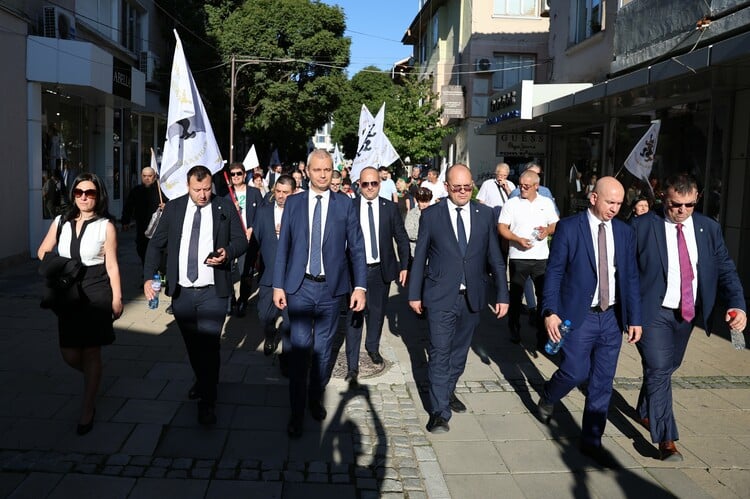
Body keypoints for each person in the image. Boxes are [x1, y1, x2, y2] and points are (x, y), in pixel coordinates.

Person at [632, 173, 746, 461]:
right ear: (663, 200)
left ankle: (646, 409)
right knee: (658, 368)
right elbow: (626, 271)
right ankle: (666, 439)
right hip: (653, 311)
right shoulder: (644, 226)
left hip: (687, 313)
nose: (682, 211)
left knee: (669, 365)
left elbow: (726, 270)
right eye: (675, 205)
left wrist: (738, 305)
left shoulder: (708, 228)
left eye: (689, 205)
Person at [538, 177, 642, 469]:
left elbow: (630, 277)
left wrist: (635, 318)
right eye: (610, 202)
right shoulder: (569, 228)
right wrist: (550, 311)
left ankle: (592, 441)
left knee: (602, 382)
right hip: (576, 316)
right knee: (574, 370)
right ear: (594, 198)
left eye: (620, 204)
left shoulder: (624, 232)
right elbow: (555, 272)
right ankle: (549, 394)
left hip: (611, 317)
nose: (615, 209)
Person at [273, 149, 367, 438]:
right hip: (299, 287)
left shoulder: (345, 204)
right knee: (300, 351)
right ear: (308, 172)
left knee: (324, 351)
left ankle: (316, 396)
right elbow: (284, 247)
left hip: (331, 289)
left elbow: (358, 248)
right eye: (318, 170)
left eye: (328, 170)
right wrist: (278, 284)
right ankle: (296, 412)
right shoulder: (294, 204)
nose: (323, 174)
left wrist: (360, 287)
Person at [408, 164, 509, 434]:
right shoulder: (432, 216)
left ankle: (448, 390)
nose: (463, 192)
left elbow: (495, 259)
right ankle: (439, 411)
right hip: (440, 297)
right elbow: (420, 258)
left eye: (468, 187)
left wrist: (502, 294)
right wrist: (414, 294)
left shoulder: (485, 214)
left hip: (472, 297)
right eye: (457, 188)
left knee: (459, 354)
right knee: (440, 353)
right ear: (447, 187)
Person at [143, 165, 248, 425]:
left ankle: (207, 401)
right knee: (192, 345)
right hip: (183, 292)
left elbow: (242, 241)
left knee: (210, 345)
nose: (203, 194)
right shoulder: (175, 209)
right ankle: (203, 380)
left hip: (213, 290)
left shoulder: (223, 206)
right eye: (197, 189)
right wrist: (147, 277)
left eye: (206, 189)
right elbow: (156, 244)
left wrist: (227, 251)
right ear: (187, 187)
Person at [37, 173, 123, 435]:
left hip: (96, 289)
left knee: (92, 351)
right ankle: (92, 376)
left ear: (99, 195)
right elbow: (43, 252)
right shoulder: (60, 221)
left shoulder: (105, 226)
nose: (84, 197)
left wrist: (118, 298)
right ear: (73, 195)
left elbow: (111, 264)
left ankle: (88, 407)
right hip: (67, 291)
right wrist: (64, 264)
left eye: (90, 193)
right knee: (70, 353)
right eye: (79, 192)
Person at [345, 167, 410, 388]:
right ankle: (352, 364)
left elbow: (401, 237)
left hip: (381, 270)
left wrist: (404, 265)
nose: (370, 188)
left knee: (377, 313)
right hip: (356, 271)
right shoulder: (350, 207)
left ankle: (372, 347)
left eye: (374, 183)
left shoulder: (389, 208)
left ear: (379, 185)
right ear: (359, 185)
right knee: (355, 316)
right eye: (366, 184)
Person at [498, 169, 559, 349]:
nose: (522, 189)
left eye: (526, 186)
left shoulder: (546, 203)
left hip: (541, 258)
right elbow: (502, 227)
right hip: (519, 257)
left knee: (543, 297)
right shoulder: (512, 204)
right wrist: (517, 239)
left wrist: (547, 231)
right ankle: (514, 328)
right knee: (516, 296)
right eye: (520, 185)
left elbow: (555, 223)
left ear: (536, 186)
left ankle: (541, 333)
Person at [252, 175, 295, 367]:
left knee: (289, 320)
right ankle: (270, 336)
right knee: (264, 315)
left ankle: (287, 357)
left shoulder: (300, 213)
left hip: (292, 277)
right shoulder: (263, 213)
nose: (281, 196)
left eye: (286, 192)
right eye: (278, 191)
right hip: (268, 275)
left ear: (294, 192)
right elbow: (255, 244)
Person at [225, 163, 264, 317]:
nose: (235, 177)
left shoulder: (254, 192)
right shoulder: (227, 195)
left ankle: (243, 300)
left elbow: (261, 214)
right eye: (233, 174)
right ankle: (230, 299)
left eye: (239, 174)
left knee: (245, 272)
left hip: (248, 238)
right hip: (231, 239)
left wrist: (252, 228)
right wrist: (231, 209)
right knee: (227, 271)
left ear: (244, 174)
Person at [121, 166, 166, 265]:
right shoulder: (136, 191)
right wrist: (125, 221)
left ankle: (155, 271)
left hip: (158, 227)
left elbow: (171, 205)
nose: (147, 178)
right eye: (144, 176)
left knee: (158, 250)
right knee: (141, 248)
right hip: (142, 226)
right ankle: (146, 269)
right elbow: (128, 206)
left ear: (154, 177)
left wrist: (166, 207)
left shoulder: (161, 191)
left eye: (149, 176)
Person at [404, 187, 433, 256]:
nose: (424, 204)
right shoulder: (412, 214)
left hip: (431, 251)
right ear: (417, 201)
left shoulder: (434, 213)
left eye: (427, 201)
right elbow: (409, 232)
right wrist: (425, 234)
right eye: (422, 202)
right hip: (415, 250)